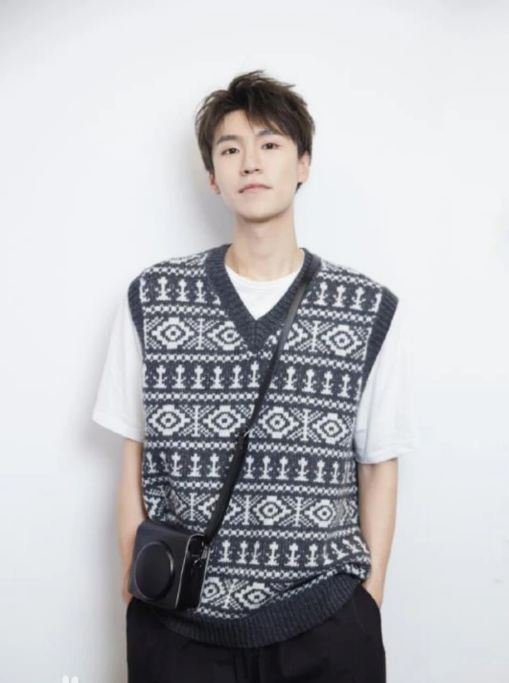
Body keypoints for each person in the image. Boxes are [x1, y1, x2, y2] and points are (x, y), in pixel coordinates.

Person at [92, 69, 417, 682]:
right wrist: (135, 588)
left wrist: (368, 601)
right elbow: (131, 451)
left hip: (324, 625)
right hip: (179, 631)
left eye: (270, 143)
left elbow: (379, 465)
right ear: (212, 176)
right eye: (230, 149)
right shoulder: (153, 297)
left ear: (303, 164)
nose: (251, 162)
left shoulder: (368, 308)